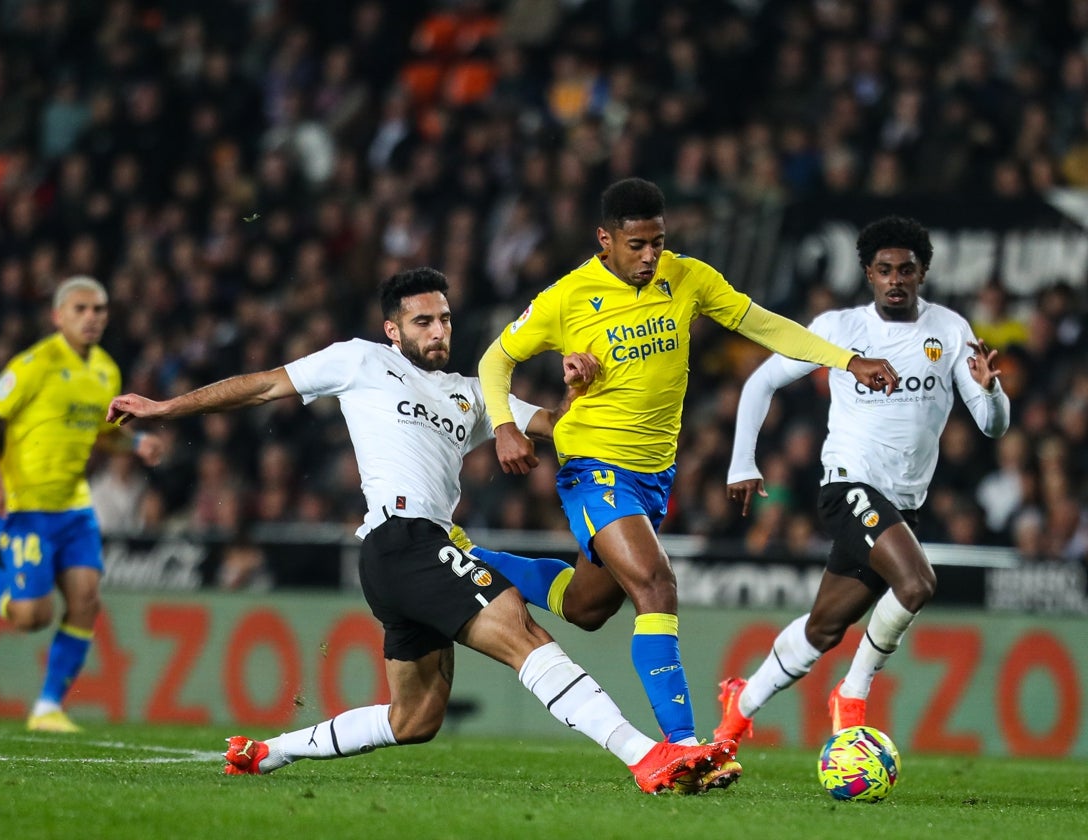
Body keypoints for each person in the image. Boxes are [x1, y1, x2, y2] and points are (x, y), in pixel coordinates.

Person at [105, 267, 740, 794]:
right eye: (423, 321)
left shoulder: (470, 394)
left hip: (411, 555)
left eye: (444, 320)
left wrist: (585, 386)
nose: (438, 332)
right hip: (402, 539)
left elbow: (561, 429)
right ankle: (644, 757)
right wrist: (165, 406)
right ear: (393, 329)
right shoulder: (360, 362)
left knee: (415, 719)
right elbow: (263, 384)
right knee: (521, 630)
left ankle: (266, 751)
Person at [465, 177, 900, 751]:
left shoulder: (686, 276)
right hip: (593, 464)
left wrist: (845, 360)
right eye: (638, 245)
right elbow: (494, 360)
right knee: (656, 585)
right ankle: (687, 746)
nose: (651, 257)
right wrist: (503, 427)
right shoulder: (567, 297)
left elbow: (763, 324)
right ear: (605, 240)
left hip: (652, 477)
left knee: (585, 605)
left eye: (658, 242)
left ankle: (467, 559)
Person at [714, 216, 1010, 746]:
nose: (895, 279)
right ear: (868, 274)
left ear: (923, 273)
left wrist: (991, 393)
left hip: (901, 503)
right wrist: (742, 462)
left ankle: (739, 708)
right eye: (884, 270)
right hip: (848, 484)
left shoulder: (950, 329)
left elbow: (992, 426)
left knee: (823, 629)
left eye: (906, 269)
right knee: (916, 583)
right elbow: (762, 381)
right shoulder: (838, 329)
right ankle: (852, 694)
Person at [0, 276, 166, 733]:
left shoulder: (106, 370)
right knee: (31, 617)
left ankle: (47, 707)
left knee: (86, 600)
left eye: (99, 309)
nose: (91, 317)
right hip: (23, 504)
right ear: (57, 316)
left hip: (74, 508)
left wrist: (136, 442)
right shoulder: (35, 363)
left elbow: (101, 433)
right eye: (80, 309)